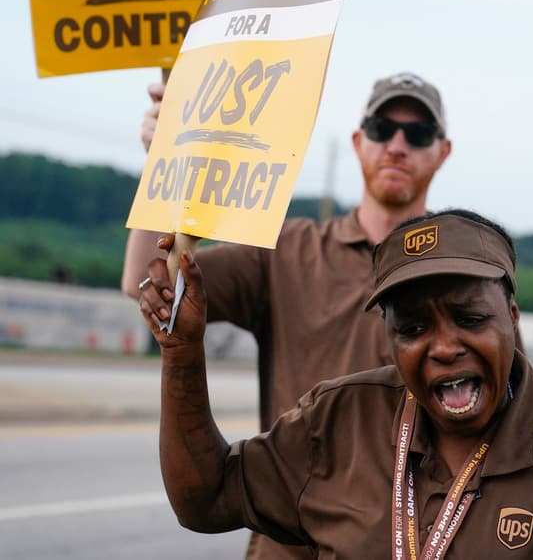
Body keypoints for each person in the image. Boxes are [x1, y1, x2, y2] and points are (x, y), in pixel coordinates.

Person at [139, 210, 533, 558]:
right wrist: (182, 355)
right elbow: (204, 499)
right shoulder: (337, 419)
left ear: (512, 317)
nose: (444, 347)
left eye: (470, 320)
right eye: (413, 329)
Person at [127, 71, 454, 559]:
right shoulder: (285, 252)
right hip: (289, 545)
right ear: (359, 141)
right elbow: (153, 283)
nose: (398, 145)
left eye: (419, 133)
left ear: (442, 151)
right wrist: (166, 162)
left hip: (419, 544)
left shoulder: (460, 274)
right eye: (383, 129)